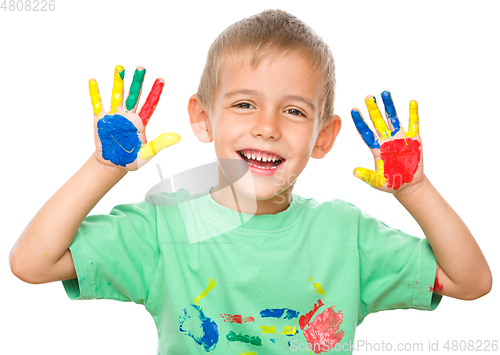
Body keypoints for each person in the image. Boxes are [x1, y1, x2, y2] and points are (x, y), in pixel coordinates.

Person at [9, 9, 491, 355]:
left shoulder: (347, 237)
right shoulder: (164, 230)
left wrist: (414, 188)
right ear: (202, 118)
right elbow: (32, 263)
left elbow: (471, 282)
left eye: (295, 111)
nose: (268, 127)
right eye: (244, 104)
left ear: (323, 137)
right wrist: (104, 167)